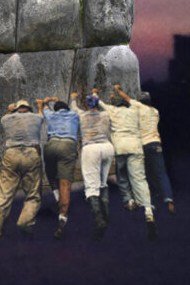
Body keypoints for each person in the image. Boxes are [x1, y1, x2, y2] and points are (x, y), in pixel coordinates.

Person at [0, 99, 45, 243]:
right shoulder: (36, 118)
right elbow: (41, 113)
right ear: (29, 109)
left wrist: (11, 109)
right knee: (33, 194)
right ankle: (25, 221)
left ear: (16, 110)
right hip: (31, 153)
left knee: (3, 196)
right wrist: (40, 107)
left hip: (11, 154)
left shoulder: (6, 119)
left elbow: (6, 114)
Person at [105, 84, 157, 240]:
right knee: (140, 179)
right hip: (136, 146)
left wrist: (104, 97)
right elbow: (129, 99)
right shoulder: (135, 110)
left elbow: (97, 102)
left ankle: (129, 200)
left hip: (121, 148)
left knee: (121, 175)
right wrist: (120, 91)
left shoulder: (112, 110)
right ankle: (148, 211)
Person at [117, 87, 175, 215]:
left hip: (143, 144)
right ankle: (168, 199)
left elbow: (126, 98)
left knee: (143, 174)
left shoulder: (139, 107)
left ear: (141, 101)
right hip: (156, 143)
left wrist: (118, 90)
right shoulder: (155, 111)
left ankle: (145, 201)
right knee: (161, 173)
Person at [37, 96, 80, 239]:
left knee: (50, 173)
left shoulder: (51, 114)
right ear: (67, 108)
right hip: (68, 145)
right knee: (65, 183)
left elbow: (43, 106)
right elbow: (74, 104)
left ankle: (57, 197)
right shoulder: (74, 114)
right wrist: (73, 98)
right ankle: (62, 220)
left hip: (52, 144)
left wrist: (48, 99)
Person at [75, 90, 114, 240]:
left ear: (87, 104)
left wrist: (73, 98)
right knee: (103, 182)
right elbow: (107, 106)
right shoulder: (105, 115)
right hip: (107, 147)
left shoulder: (82, 115)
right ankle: (106, 214)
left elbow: (74, 107)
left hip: (90, 149)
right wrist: (96, 94)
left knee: (91, 187)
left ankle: (99, 221)